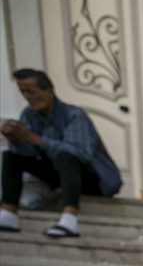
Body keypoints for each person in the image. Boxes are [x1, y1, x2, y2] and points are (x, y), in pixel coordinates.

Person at [0, 68, 122, 238]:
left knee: (65, 156)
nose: (28, 97)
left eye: (32, 91)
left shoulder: (73, 114)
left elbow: (80, 153)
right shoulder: (29, 115)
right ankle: (9, 213)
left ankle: (70, 219)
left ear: (49, 91)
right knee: (11, 156)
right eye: (23, 92)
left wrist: (34, 138)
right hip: (59, 175)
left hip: (93, 180)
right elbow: (30, 154)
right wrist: (16, 140)